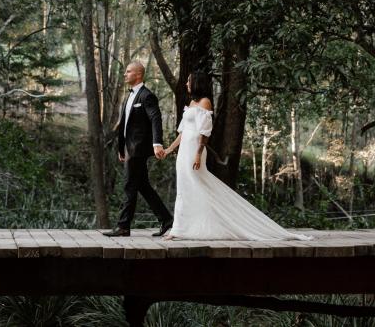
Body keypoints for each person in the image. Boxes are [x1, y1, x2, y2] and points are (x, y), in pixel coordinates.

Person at [159, 71, 312, 241]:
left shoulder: (205, 102)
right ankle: (181, 227)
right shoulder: (192, 103)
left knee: (196, 185)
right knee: (184, 187)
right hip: (184, 151)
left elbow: (205, 133)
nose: (186, 83)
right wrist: (168, 149)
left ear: (196, 82)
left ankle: (180, 228)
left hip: (194, 151)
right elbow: (183, 132)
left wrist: (198, 154)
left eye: (188, 81)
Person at [103, 61, 173, 237]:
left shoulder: (147, 96)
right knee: (143, 186)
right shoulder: (129, 96)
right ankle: (166, 220)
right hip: (129, 148)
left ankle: (123, 226)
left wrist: (157, 143)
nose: (125, 74)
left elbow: (155, 119)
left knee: (129, 185)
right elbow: (125, 125)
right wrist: (121, 149)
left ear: (138, 75)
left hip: (138, 149)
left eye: (128, 72)